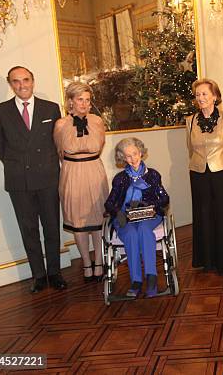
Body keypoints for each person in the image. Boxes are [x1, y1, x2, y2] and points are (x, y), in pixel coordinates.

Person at [0, 66, 67, 293]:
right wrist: (20, 167)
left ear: (33, 81)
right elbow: (1, 149)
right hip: (19, 181)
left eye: (25, 80)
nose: (21, 85)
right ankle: (38, 276)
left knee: (52, 227)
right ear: (10, 84)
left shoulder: (51, 109)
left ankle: (55, 272)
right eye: (16, 81)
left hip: (47, 178)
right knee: (29, 229)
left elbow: (56, 143)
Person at [186, 78, 223, 274]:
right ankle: (208, 261)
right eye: (198, 95)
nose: (201, 98)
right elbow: (190, 148)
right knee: (203, 215)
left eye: (205, 94)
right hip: (198, 174)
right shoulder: (190, 121)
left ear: (215, 96)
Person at [54, 82, 108, 282]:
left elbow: (99, 146)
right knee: (78, 221)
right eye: (80, 100)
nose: (84, 104)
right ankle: (86, 262)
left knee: (96, 219)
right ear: (71, 101)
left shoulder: (97, 121)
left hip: (94, 171)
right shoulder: (60, 124)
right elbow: (60, 152)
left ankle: (100, 261)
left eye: (87, 100)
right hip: (72, 173)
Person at [104, 138, 169, 298]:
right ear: (123, 158)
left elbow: (164, 199)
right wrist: (121, 213)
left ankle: (151, 277)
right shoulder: (120, 179)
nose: (133, 158)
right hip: (125, 217)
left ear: (141, 153)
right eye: (128, 156)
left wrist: (147, 205)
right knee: (132, 234)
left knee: (145, 230)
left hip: (149, 215)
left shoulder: (152, 175)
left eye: (135, 153)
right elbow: (109, 204)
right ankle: (136, 281)